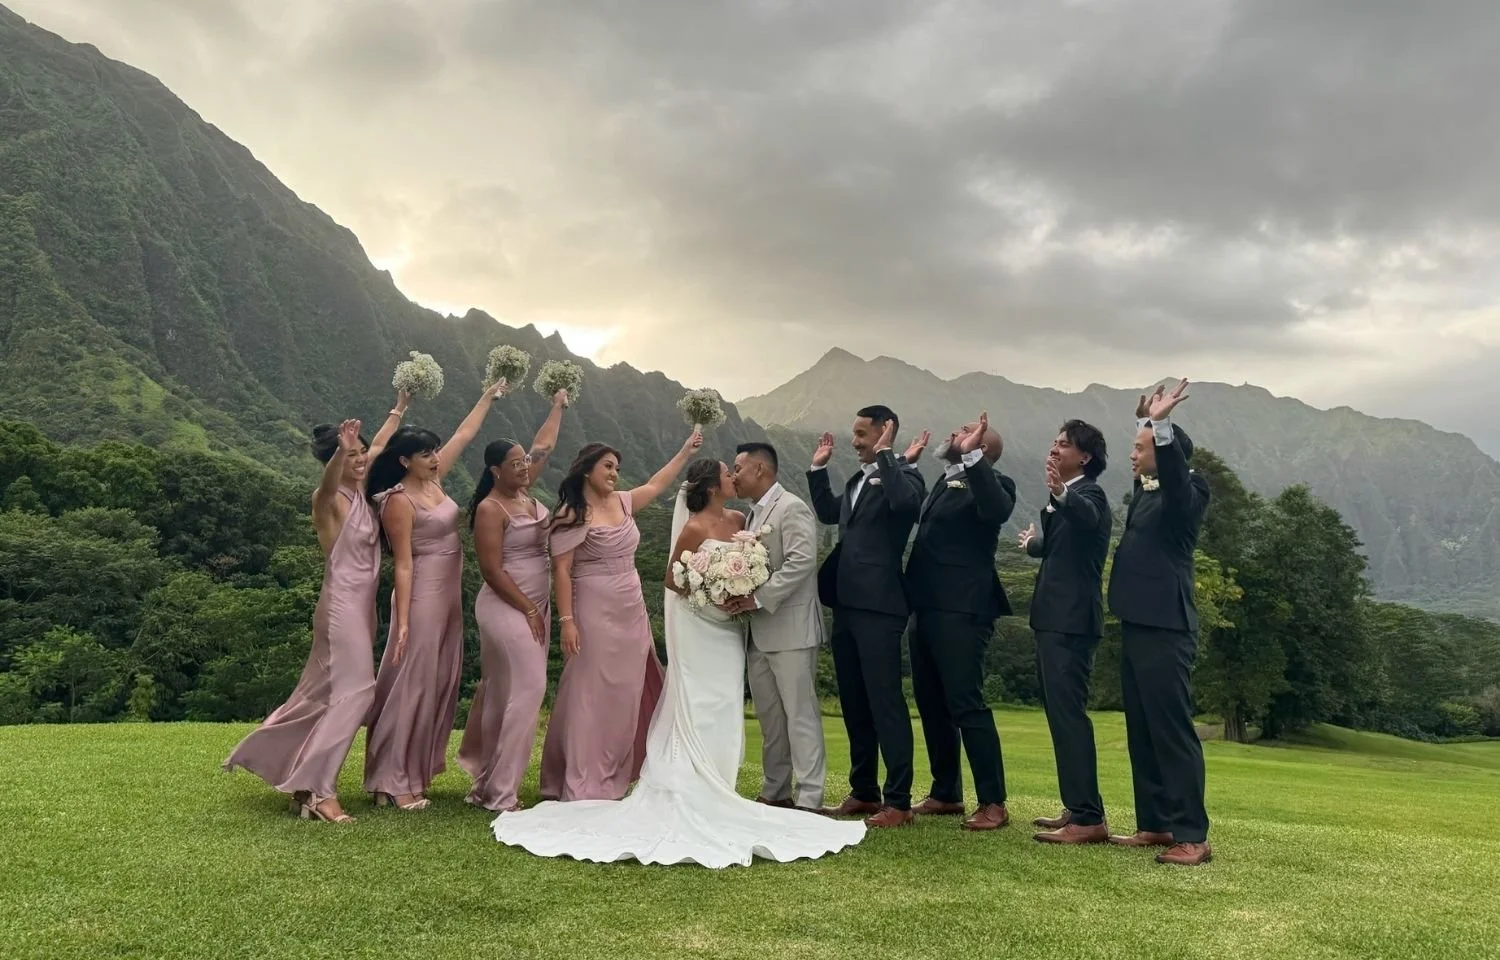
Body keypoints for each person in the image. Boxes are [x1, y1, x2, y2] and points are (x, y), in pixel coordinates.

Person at [491, 459, 865, 866]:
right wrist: (711, 588)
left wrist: (741, 583)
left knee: (724, 703)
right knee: (699, 700)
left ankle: (719, 781)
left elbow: (757, 562)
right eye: (726, 472)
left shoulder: (741, 517)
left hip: (731, 628)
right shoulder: (693, 528)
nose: (732, 477)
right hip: (702, 623)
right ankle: (691, 783)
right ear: (709, 484)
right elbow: (673, 579)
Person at [222, 395, 408, 822]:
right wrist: (342, 451)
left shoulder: (361, 492)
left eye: (361, 454)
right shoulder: (328, 501)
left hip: (363, 609)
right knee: (358, 692)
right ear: (335, 459)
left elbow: (378, 444)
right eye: (352, 456)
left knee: (330, 695)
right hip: (341, 605)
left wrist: (400, 406)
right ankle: (321, 794)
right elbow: (327, 486)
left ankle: (303, 785)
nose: (361, 460)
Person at [361, 378, 508, 810]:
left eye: (433, 451)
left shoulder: (435, 481)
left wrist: (487, 395)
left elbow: (465, 433)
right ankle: (390, 779)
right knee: (411, 683)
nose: (433, 458)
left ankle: (414, 772)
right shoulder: (397, 501)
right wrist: (404, 622)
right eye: (425, 453)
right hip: (420, 596)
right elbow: (402, 563)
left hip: (448, 599)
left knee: (437, 682)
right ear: (405, 460)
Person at [535, 430, 702, 802]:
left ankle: (617, 769)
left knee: (626, 691)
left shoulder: (625, 502)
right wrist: (567, 622)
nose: (614, 473)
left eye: (617, 467)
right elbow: (561, 570)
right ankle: (581, 774)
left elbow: (657, 484)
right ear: (586, 471)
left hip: (631, 605)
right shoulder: (571, 515)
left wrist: (684, 450)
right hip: (592, 606)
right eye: (607, 466)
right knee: (590, 689)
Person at [1106, 379, 1213, 866]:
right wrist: (1145, 420)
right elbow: (1151, 470)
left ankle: (1192, 834)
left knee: (1170, 731)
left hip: (1167, 627)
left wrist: (1162, 425)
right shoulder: (1144, 491)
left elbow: (1171, 474)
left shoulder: (1187, 492)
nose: (1132, 454)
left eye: (1138, 447)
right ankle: (1156, 824)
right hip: (1136, 622)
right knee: (1142, 729)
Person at [807, 405, 926, 828]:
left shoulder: (906, 475)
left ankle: (899, 801)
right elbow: (830, 513)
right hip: (846, 604)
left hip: (880, 606)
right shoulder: (857, 479)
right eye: (854, 433)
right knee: (855, 702)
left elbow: (905, 505)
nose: (855, 441)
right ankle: (863, 792)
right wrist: (817, 471)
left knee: (885, 702)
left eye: (862, 433)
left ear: (884, 431)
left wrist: (889, 456)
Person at [456, 389, 569, 811]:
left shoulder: (524, 491)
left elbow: (545, 445)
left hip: (536, 605)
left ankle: (486, 784)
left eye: (525, 462)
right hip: (507, 605)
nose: (524, 467)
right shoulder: (491, 508)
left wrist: (557, 405)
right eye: (515, 464)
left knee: (506, 693)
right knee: (528, 688)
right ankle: (501, 795)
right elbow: (491, 570)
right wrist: (526, 608)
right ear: (494, 471)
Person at [903, 412, 1015, 831]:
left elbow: (996, 510)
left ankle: (994, 803)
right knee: (931, 703)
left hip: (963, 610)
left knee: (966, 703)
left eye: (967, 433)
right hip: (925, 607)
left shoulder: (996, 484)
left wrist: (973, 462)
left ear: (982, 449)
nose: (956, 433)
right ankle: (946, 792)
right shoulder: (943, 480)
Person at [1020, 418, 1112, 844]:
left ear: (1085, 457)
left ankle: (1089, 817)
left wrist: (1058, 493)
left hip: (1071, 623)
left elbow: (1089, 518)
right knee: (1060, 717)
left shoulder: (1089, 494)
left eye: (1064, 444)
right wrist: (1032, 544)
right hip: (1052, 619)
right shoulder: (1066, 497)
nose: (1054, 448)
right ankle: (1076, 807)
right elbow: (1057, 547)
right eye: (1054, 441)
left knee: (1070, 717)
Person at [729, 442, 825, 812]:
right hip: (759, 633)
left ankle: (811, 796)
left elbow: (802, 561)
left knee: (800, 714)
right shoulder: (752, 516)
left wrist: (757, 597)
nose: (734, 476)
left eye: (738, 468)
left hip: (792, 631)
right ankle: (775, 790)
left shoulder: (791, 507)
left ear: (759, 470)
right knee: (771, 719)